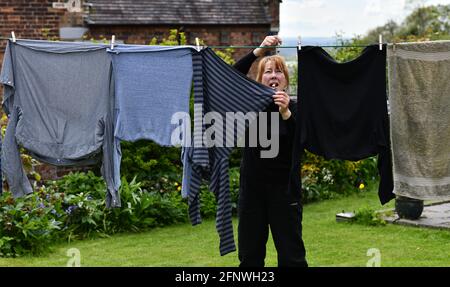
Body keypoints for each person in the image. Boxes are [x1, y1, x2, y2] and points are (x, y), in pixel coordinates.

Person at [233, 36, 307, 267]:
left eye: (279, 72)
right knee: (250, 256)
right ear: (260, 79)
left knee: (291, 257)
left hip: (284, 193)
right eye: (268, 72)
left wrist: (286, 113)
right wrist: (259, 51)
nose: (273, 76)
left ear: (285, 79)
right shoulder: (250, 104)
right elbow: (232, 76)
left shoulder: (296, 108)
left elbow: (302, 143)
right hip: (252, 191)